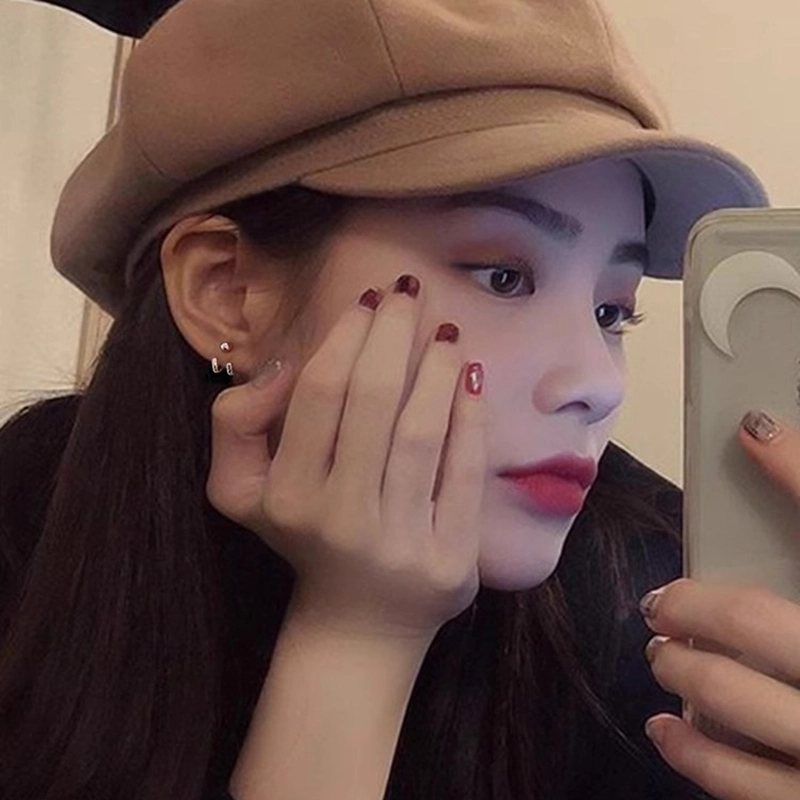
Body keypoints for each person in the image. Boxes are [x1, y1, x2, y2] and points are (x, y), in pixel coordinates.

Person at [6, 1, 800, 799]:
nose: (596, 384)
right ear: (228, 293)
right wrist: (357, 634)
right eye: (504, 277)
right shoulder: (27, 532)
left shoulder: (653, 624)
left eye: (611, 310)